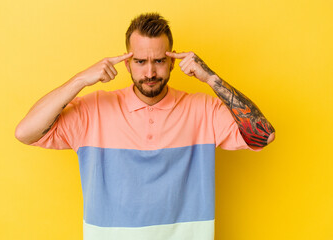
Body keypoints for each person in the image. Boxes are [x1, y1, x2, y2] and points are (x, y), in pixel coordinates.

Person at [15, 12, 275, 240]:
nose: (150, 72)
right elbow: (25, 132)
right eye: (140, 61)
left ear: (172, 61)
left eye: (159, 61)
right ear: (127, 63)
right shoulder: (93, 110)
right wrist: (80, 80)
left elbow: (264, 135)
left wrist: (211, 78)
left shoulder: (203, 110)